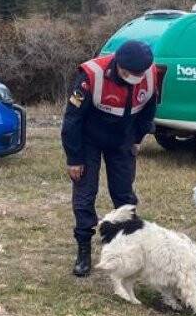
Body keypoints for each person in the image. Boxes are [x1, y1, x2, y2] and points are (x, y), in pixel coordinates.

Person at [62, 40, 160, 277]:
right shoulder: (91, 76)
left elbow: (148, 110)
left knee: (124, 195)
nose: (135, 78)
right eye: (130, 73)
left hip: (122, 140)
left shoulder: (149, 74)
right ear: (119, 65)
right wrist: (74, 158)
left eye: (139, 74)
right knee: (85, 195)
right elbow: (72, 120)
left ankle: (129, 245)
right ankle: (84, 248)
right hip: (89, 140)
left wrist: (137, 138)